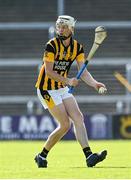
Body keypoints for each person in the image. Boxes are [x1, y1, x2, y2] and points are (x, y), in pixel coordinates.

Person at [35, 15, 107, 168]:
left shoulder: (77, 47)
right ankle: (41, 155)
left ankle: (89, 156)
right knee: (65, 124)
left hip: (61, 88)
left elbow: (83, 71)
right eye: (59, 26)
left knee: (78, 117)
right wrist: (68, 81)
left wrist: (94, 84)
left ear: (71, 29)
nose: (60, 29)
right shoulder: (51, 45)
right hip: (46, 89)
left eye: (64, 27)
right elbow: (48, 72)